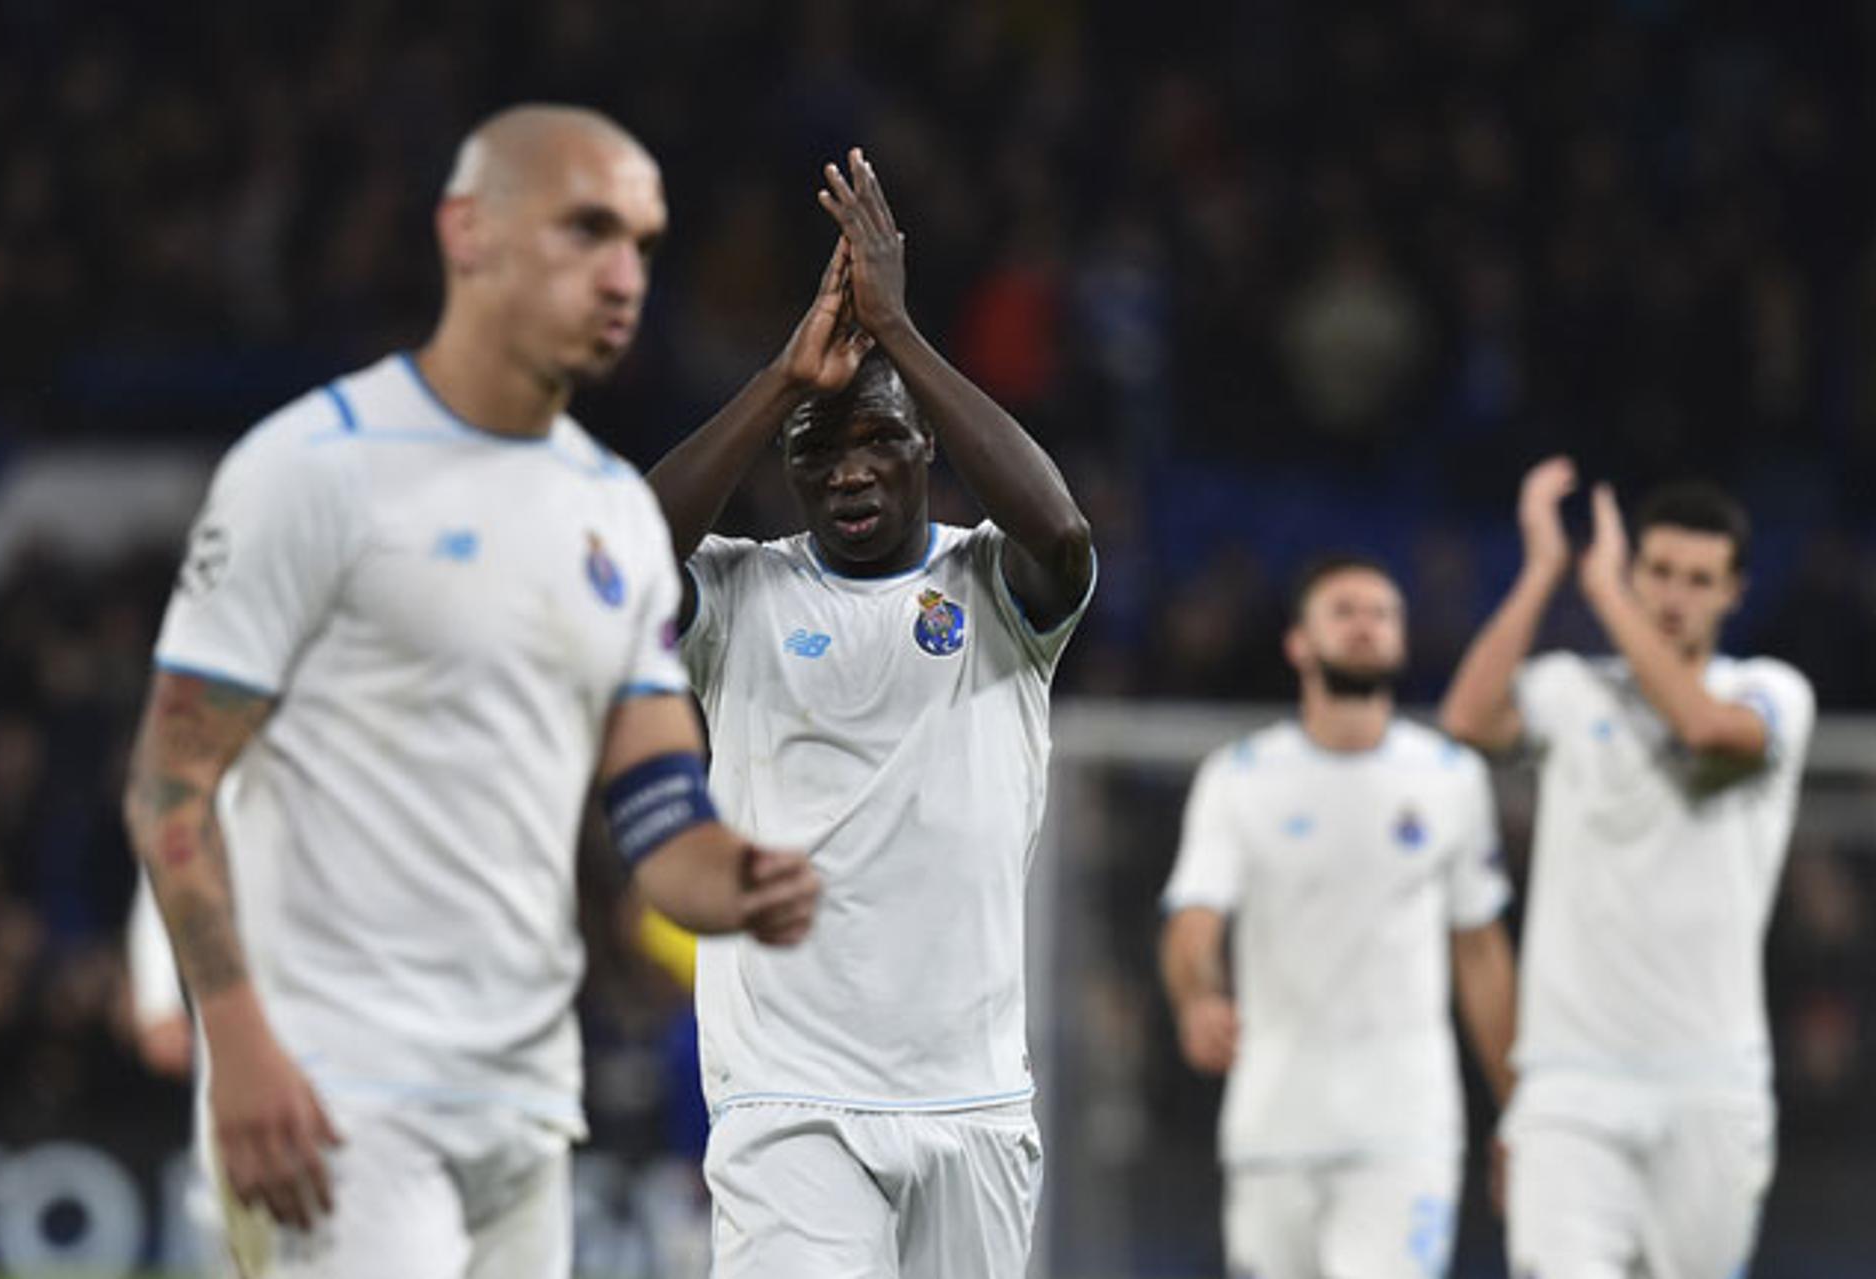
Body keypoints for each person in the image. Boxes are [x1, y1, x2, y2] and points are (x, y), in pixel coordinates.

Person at [122, 104, 821, 1279]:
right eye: (587, 231)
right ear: (468, 232)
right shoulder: (312, 467)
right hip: (333, 1092)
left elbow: (658, 812)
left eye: (644, 246)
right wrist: (235, 1042)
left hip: (524, 1105)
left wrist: (736, 878)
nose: (624, 276)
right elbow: (169, 779)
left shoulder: (608, 512)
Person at [645, 147, 1094, 1278]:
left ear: (926, 447)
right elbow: (623, 557)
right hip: (788, 1095)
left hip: (973, 1093)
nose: (850, 471)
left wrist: (898, 337)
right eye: (819, 451)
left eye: (880, 440)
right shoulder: (742, 593)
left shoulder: (995, 586)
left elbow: (1064, 538)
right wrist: (787, 383)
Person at [1440, 458, 1814, 1279]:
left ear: (1734, 592)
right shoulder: (1569, 691)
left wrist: (1606, 593)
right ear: (1635, 567)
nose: (1674, 594)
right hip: (1570, 1088)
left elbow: (1708, 731)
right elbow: (1467, 716)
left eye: (1698, 578)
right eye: (1658, 572)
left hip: (1712, 1083)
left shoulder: (1769, 693)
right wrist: (1544, 572)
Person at [1160, 555, 1518, 1279]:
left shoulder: (1451, 779)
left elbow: (1481, 953)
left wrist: (1519, 1110)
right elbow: (1194, 922)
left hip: (1407, 1127)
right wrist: (1197, 996)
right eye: (1345, 611)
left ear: (1402, 638)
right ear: (1299, 641)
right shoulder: (1239, 777)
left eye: (1382, 613)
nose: (1365, 625)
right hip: (1274, 1126)